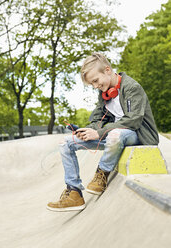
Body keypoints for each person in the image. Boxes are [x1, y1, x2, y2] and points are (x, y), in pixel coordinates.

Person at [47, 52, 159, 212]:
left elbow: (133, 120)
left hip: (136, 134)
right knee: (66, 142)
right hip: (113, 136)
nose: (95, 86)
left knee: (115, 134)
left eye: (95, 81)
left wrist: (100, 133)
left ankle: (102, 174)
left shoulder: (132, 88)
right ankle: (74, 193)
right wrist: (87, 130)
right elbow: (98, 119)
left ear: (107, 70)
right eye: (91, 84)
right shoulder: (104, 93)